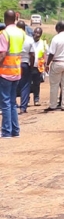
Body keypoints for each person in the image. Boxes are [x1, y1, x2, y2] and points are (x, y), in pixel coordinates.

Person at [0, 10, 26, 139]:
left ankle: (6, 131)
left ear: (5, 19)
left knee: (5, 103)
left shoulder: (4, 33)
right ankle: (15, 130)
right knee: (12, 102)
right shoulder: (21, 33)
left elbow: (3, 54)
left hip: (5, 72)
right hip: (16, 71)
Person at [44, 21, 64, 112]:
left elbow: (51, 53)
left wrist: (47, 64)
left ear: (58, 28)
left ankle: (53, 105)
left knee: (54, 85)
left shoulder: (56, 38)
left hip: (58, 62)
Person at [15, 20, 34, 114]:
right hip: (25, 63)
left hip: (13, 63)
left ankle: (13, 105)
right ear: (24, 28)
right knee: (25, 86)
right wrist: (32, 65)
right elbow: (32, 54)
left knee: (13, 85)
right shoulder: (29, 39)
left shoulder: (12, 38)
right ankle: (23, 107)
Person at [31, 27, 47, 106]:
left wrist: (45, 64)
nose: (36, 34)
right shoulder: (29, 42)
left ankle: (36, 99)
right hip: (29, 66)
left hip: (38, 67)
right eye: (35, 32)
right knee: (27, 84)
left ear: (41, 34)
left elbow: (44, 54)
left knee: (37, 84)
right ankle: (26, 100)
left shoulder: (42, 43)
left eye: (38, 33)